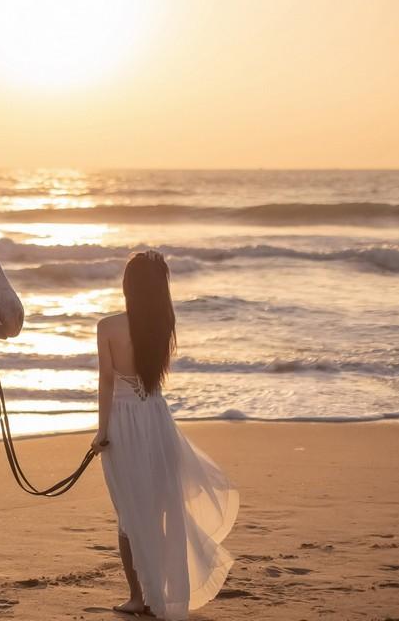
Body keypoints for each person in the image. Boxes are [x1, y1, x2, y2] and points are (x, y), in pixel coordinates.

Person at [90, 251, 238, 619]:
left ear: (127, 286)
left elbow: (107, 381)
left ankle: (139, 596)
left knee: (129, 513)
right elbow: (151, 382)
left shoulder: (107, 326)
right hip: (157, 419)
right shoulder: (164, 324)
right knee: (157, 510)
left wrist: (102, 431)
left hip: (124, 423)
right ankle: (165, 592)